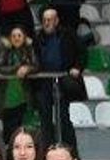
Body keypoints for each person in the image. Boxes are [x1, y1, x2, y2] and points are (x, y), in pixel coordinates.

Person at [33, 9, 83, 148]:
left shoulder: (68, 35)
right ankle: (47, 152)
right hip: (43, 82)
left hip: (62, 81)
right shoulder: (37, 37)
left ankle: (71, 151)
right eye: (44, 20)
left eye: (49, 20)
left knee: (63, 118)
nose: (46, 23)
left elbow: (81, 53)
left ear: (56, 21)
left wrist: (77, 67)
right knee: (45, 120)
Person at [0, 26, 39, 145]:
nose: (16, 38)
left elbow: (36, 65)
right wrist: (18, 67)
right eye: (13, 36)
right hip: (7, 99)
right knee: (9, 135)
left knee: (24, 133)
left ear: (24, 38)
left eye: (19, 36)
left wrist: (27, 68)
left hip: (23, 98)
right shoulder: (5, 50)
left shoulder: (28, 50)